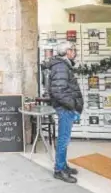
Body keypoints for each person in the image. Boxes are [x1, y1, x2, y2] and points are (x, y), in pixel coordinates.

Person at [48, 41, 83, 183]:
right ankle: (59, 170)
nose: (75, 52)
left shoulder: (63, 66)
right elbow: (58, 91)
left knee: (65, 139)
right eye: (73, 49)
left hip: (66, 108)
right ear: (67, 51)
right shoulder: (61, 67)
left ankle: (64, 166)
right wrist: (72, 105)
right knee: (63, 139)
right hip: (65, 108)